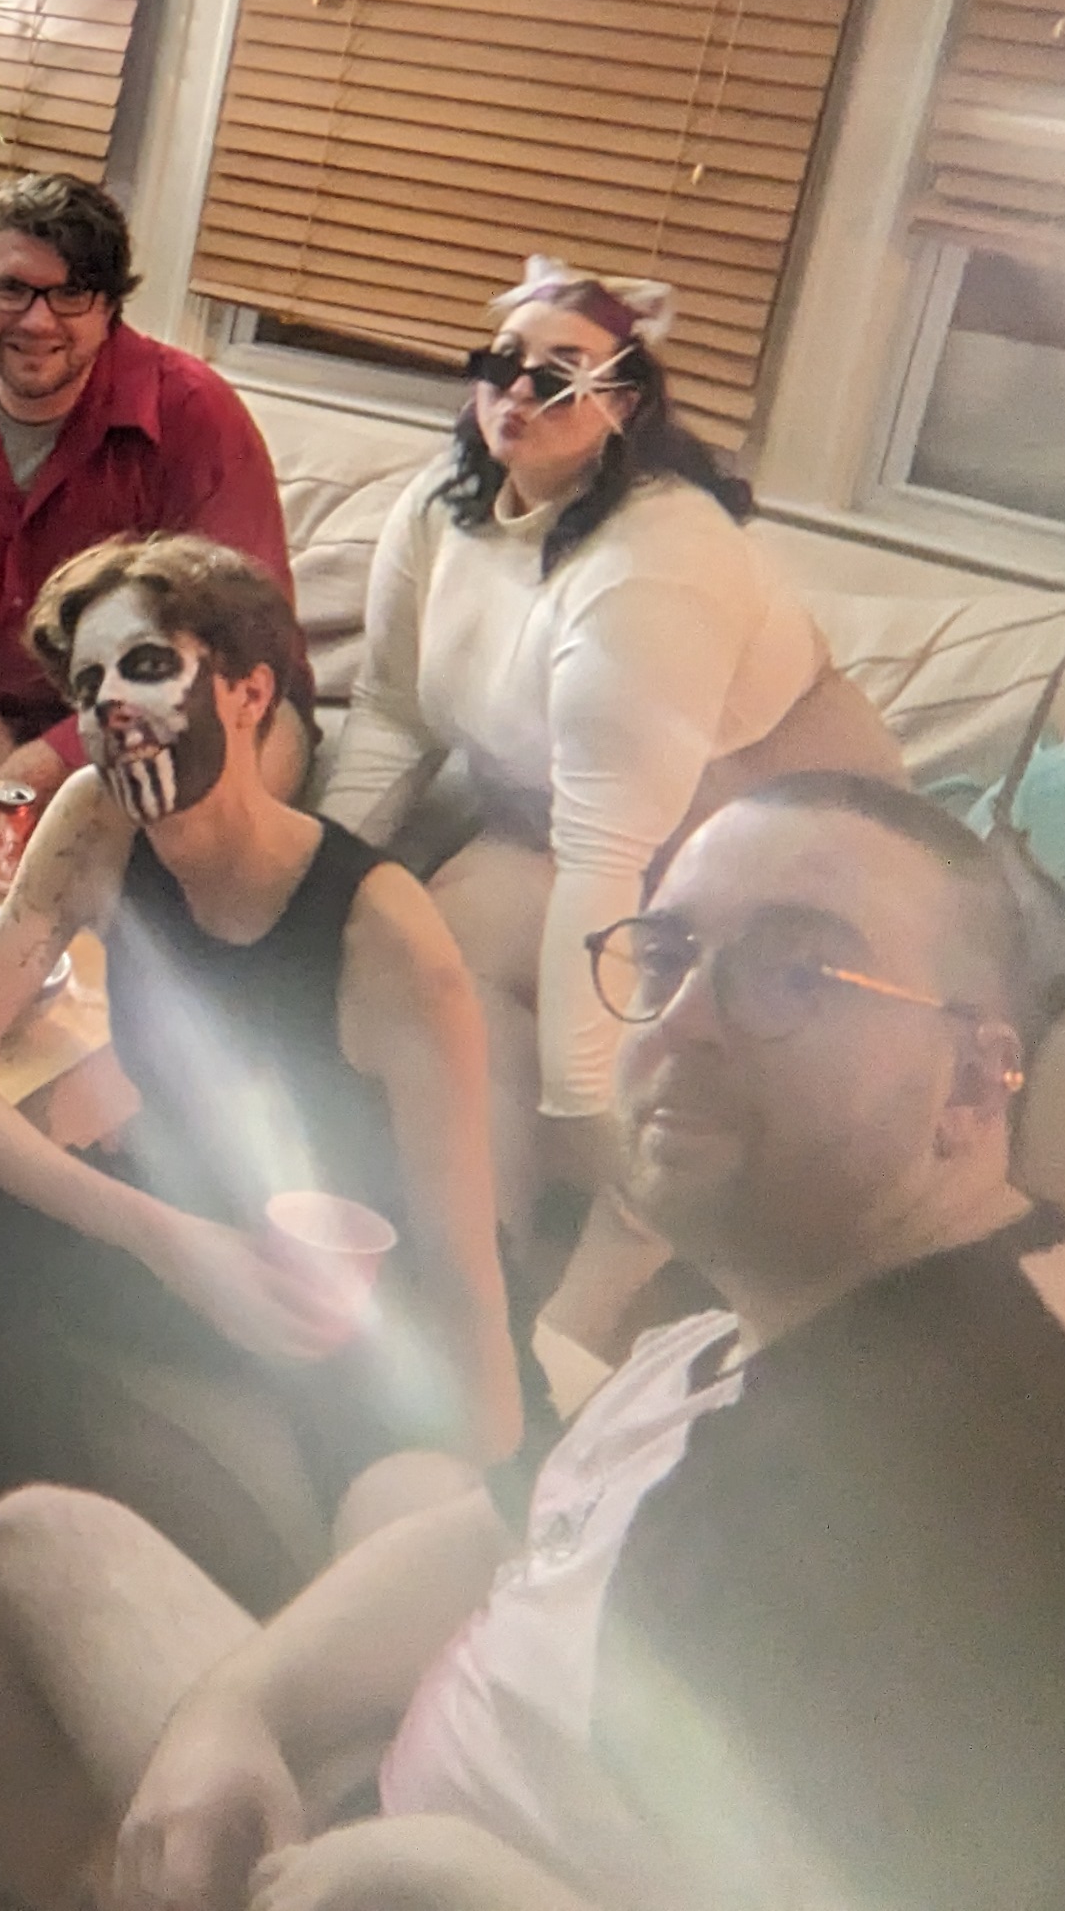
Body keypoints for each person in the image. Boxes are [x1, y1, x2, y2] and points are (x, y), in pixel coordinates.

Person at [0, 773, 1065, 1911]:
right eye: (667, 958)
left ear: (978, 1082)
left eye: (797, 973)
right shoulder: (867, 1294)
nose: (684, 1024)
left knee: (36, 1544)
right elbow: (520, 1515)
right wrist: (240, 1706)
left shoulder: (967, 1513)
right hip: (460, 1788)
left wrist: (451, 1874)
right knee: (417, 1483)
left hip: (397, 1876)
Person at [0, 534, 521, 1652]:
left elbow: (463, 1261)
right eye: (88, 683)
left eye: (147, 667)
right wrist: (173, 1242)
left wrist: (497, 1469)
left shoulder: (385, 935)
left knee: (405, 1568)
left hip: (351, 1308)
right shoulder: (96, 822)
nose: (110, 701)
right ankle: (15, 1522)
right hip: (189, 1240)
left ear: (250, 691)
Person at [317, 257, 899, 1379]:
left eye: (561, 376)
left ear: (625, 405)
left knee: (642, 1039)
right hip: (565, 832)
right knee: (413, 947)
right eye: (501, 367)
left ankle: (595, 1290)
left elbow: (611, 851)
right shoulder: (443, 509)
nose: (519, 394)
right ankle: (473, 1258)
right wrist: (316, 886)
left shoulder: (657, 562)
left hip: (776, 863)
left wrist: (595, 1100)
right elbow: (391, 714)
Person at [0, 172, 305, 800]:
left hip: (180, 710)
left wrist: (55, 756)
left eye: (71, 294)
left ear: (108, 310)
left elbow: (236, 630)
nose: (38, 320)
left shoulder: (195, 417)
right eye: (11, 289)